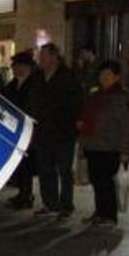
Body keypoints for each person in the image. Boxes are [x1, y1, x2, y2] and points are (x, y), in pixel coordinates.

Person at [77, 59, 129, 226]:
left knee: (106, 182)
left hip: (110, 146)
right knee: (96, 181)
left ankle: (109, 215)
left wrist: (126, 150)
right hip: (93, 144)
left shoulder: (123, 96)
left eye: (109, 75)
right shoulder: (95, 94)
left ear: (117, 77)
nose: (104, 78)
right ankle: (99, 212)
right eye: (102, 74)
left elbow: (128, 125)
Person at [28, 44, 82, 219]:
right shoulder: (37, 77)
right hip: (42, 132)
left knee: (65, 170)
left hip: (63, 132)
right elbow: (32, 101)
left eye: (43, 56)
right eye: (39, 56)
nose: (40, 59)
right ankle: (50, 204)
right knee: (45, 169)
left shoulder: (67, 77)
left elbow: (76, 103)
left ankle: (66, 206)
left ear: (54, 56)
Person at [4, 51, 37, 209]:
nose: (14, 69)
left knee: (27, 165)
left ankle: (27, 195)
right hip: (16, 128)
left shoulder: (34, 84)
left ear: (26, 67)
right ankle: (22, 193)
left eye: (17, 66)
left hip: (29, 130)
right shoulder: (13, 84)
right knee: (21, 164)